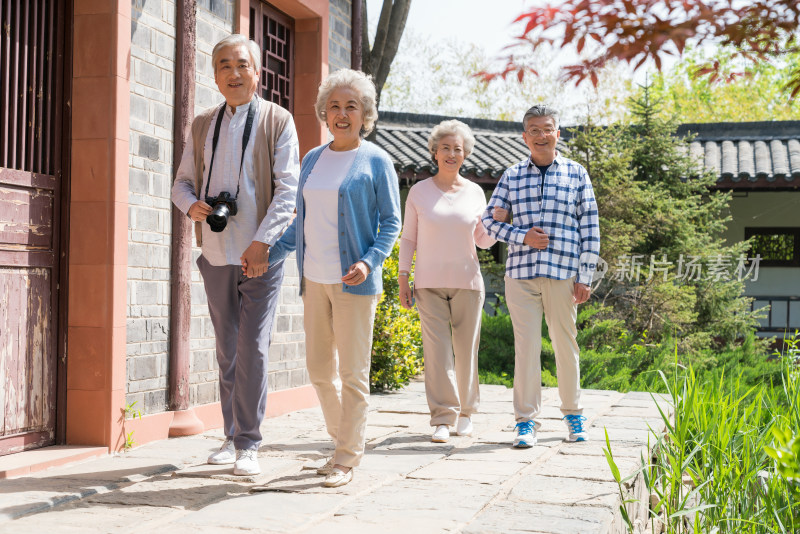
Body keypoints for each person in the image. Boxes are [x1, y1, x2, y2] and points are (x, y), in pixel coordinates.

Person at [171, 34, 299, 476]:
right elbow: (182, 181)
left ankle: (249, 442)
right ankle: (230, 436)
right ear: (215, 75)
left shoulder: (277, 120)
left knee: (253, 348)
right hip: (216, 250)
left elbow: (288, 190)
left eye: (242, 64)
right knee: (227, 348)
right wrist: (192, 206)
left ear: (257, 72)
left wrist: (263, 243)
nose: (233, 72)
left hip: (260, 253)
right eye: (224, 65)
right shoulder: (203, 123)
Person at [267, 69, 401, 487]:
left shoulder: (376, 160)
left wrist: (370, 261)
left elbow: (391, 222)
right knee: (320, 370)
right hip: (314, 279)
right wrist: (267, 253)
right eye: (335, 106)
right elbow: (299, 223)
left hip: (353, 283)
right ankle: (342, 438)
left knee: (354, 374)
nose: (341, 114)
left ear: (365, 114)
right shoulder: (312, 159)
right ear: (324, 111)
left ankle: (345, 457)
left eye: (351, 106)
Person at [482, 104, 600, 448]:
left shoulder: (577, 174)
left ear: (557, 134)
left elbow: (590, 228)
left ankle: (573, 414)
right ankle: (525, 421)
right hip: (520, 274)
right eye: (533, 130)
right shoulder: (512, 175)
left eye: (547, 129)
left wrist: (586, 276)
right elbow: (490, 222)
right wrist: (522, 236)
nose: (541, 135)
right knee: (527, 347)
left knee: (566, 345)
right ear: (524, 137)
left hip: (564, 273)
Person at [398, 120, 497, 443]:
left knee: (466, 351)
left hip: (468, 282)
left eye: (458, 149)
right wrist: (403, 277)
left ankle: (467, 413)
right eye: (446, 148)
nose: (452, 154)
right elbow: (409, 238)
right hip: (428, 284)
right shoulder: (419, 192)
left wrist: (497, 223)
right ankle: (443, 417)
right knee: (437, 353)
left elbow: (483, 241)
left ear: (465, 154)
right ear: (435, 152)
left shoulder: (475, 192)